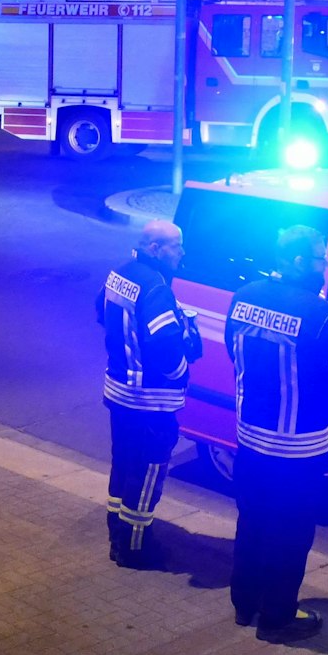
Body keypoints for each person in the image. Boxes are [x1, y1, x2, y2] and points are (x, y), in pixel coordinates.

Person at [224, 225, 328, 643]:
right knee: (291, 534)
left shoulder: (243, 298)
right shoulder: (321, 315)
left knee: (252, 522)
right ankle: (277, 618)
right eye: (319, 258)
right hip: (299, 449)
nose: (324, 265)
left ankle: (245, 604)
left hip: (251, 439)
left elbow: (232, 351)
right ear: (299, 262)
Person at [96, 220, 202, 569]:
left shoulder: (120, 272)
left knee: (124, 464)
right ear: (155, 249)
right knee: (148, 472)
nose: (182, 252)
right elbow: (164, 348)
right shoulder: (156, 288)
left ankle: (116, 534)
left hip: (119, 391)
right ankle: (135, 547)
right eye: (176, 246)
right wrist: (182, 372)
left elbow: (101, 310)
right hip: (149, 401)